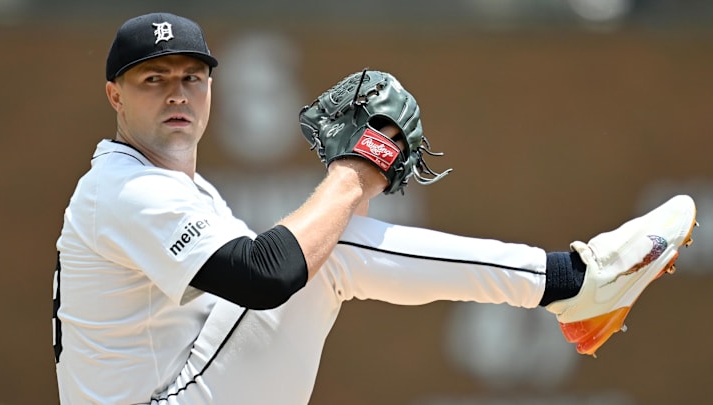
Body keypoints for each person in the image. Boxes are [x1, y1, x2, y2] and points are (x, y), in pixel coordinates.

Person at [52, 12, 697, 405]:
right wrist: (361, 166)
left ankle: (576, 289)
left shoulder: (159, 184)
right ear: (115, 94)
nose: (177, 92)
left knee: (320, 253)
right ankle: (575, 282)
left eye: (191, 76)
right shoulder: (125, 187)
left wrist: (355, 180)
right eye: (152, 78)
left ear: (210, 87)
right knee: (321, 259)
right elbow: (264, 276)